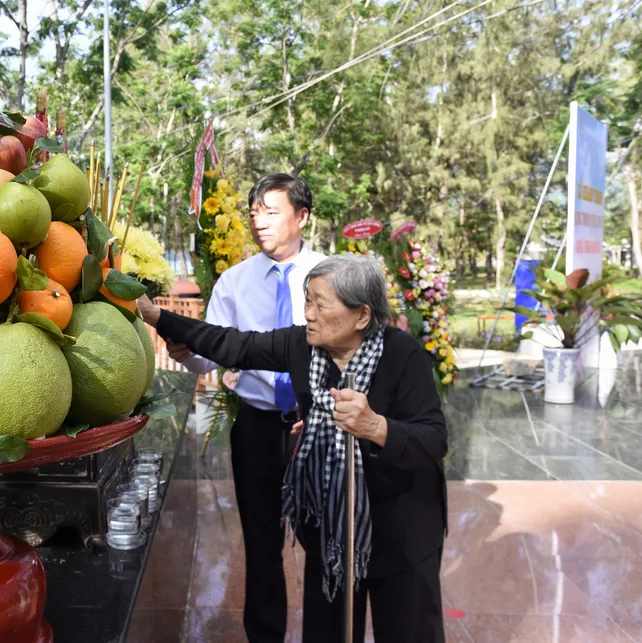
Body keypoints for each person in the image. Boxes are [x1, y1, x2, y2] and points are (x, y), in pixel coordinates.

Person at [138, 254, 448, 643]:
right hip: (330, 527)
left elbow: (434, 438)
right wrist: (157, 317)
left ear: (362, 316)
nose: (310, 313)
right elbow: (235, 345)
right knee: (326, 632)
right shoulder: (301, 345)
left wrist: (376, 426)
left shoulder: (403, 355)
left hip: (400, 528)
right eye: (307, 300)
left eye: (321, 303)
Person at [173, 173, 324, 642]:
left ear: (302, 217)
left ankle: (326, 632)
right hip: (256, 428)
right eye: (255, 212)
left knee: (322, 543)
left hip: (317, 428)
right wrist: (185, 350)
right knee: (261, 544)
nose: (260, 222)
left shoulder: (330, 276)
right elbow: (213, 350)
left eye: (271, 211)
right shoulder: (235, 281)